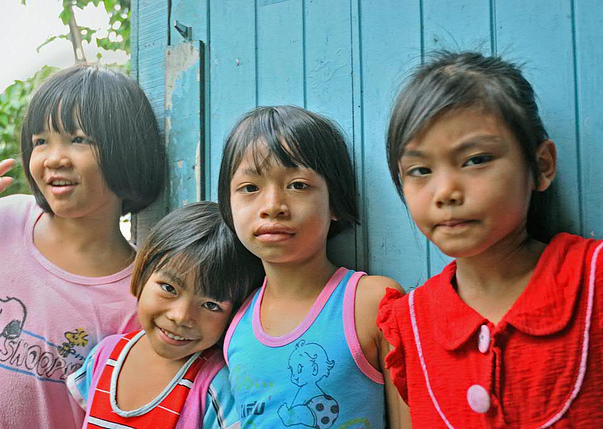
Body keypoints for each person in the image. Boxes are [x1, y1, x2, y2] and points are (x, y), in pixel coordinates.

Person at [378, 51, 603, 427]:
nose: (445, 191)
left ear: (542, 165)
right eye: (420, 170)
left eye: (476, 160)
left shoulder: (594, 280)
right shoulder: (410, 324)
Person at [0, 64, 165, 427]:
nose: (53, 158)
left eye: (79, 139)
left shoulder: (138, 295)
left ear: (128, 151)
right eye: (41, 141)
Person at [218, 105, 408, 428]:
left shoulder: (371, 302)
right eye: (250, 188)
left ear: (335, 202)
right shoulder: (235, 327)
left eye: (298, 185)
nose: (272, 206)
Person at [67, 201, 264, 428]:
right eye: (169, 288)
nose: (180, 316)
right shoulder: (104, 356)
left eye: (211, 305)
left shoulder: (215, 385)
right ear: (143, 274)